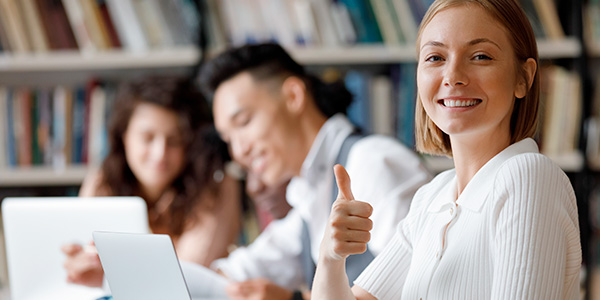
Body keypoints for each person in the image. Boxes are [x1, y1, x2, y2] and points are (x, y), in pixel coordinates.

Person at [312, 0, 582, 299]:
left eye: (480, 56)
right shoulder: (432, 197)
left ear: (524, 78)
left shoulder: (528, 176)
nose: (453, 76)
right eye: (435, 58)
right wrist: (330, 257)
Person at [199, 43, 432, 300]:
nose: (238, 151)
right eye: (228, 139)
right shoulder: (308, 190)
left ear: (293, 96)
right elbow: (247, 267)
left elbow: (418, 284)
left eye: (243, 123)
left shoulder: (372, 162)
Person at [61, 77, 242, 287]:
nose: (160, 154)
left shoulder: (217, 183)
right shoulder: (103, 179)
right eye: (147, 138)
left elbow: (181, 283)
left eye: (174, 141)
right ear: (124, 136)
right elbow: (82, 260)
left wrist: (106, 276)